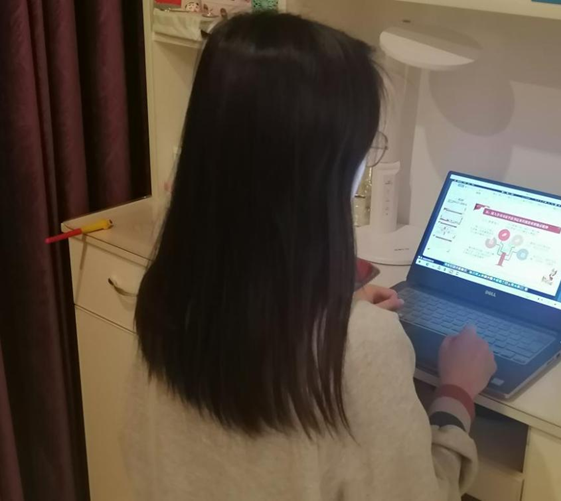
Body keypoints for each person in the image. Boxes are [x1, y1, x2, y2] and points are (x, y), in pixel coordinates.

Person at [125, 11, 496, 501]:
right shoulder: (359, 349)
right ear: (324, 172)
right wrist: (457, 393)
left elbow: (144, 451)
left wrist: (332, 310)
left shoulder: (169, 295)